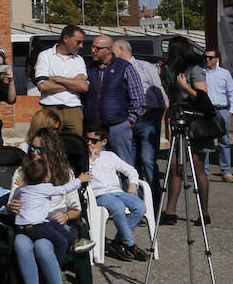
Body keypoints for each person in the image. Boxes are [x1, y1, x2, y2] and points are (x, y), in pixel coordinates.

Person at [8, 150, 84, 284]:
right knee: (20, 244)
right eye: (32, 150)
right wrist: (12, 206)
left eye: (40, 150)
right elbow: (12, 200)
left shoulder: (66, 172)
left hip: (52, 224)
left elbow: (76, 208)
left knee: (43, 247)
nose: (35, 154)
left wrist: (66, 215)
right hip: (28, 225)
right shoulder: (24, 172)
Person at [160, 40, 210, 225]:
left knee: (198, 169)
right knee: (175, 167)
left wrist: (184, 85)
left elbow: (202, 96)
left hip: (196, 123)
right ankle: (170, 211)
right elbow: (171, 96)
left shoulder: (195, 69)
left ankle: (204, 212)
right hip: (179, 119)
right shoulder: (173, 70)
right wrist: (165, 79)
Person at [83, 122, 148, 261]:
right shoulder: (84, 158)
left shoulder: (110, 156)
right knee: (118, 207)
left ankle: (118, 241)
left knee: (140, 206)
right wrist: (92, 161)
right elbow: (84, 177)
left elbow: (130, 170)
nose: (90, 143)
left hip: (116, 192)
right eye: (87, 139)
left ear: (104, 142)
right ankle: (130, 244)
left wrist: (133, 184)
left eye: (94, 141)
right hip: (99, 194)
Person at [114, 39, 167, 198]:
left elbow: (159, 91)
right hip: (128, 120)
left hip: (148, 119)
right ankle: (136, 202)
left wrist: (157, 116)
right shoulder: (116, 70)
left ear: (122, 49)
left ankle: (155, 203)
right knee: (130, 164)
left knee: (148, 161)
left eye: (113, 51)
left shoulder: (144, 66)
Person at [85, 35, 145, 162]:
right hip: (95, 128)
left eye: (96, 48)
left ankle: (128, 183)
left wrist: (129, 122)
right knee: (97, 165)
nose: (92, 51)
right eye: (92, 47)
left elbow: (138, 97)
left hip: (118, 126)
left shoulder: (124, 67)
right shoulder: (88, 68)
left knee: (124, 164)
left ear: (108, 50)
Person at [34, 26, 88, 136]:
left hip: (74, 111)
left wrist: (58, 79)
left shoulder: (79, 60)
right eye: (78, 42)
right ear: (66, 38)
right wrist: (73, 82)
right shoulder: (45, 56)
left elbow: (84, 87)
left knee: (75, 146)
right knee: (49, 144)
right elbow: (43, 86)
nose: (81, 46)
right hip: (50, 109)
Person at [199, 47, 233, 182]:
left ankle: (226, 171)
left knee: (224, 142)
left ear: (217, 59)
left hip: (222, 110)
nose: (207, 60)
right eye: (206, 57)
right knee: (206, 142)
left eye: (210, 57)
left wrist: (231, 111)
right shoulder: (201, 72)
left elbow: (232, 91)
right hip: (206, 111)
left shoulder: (225, 73)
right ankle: (204, 172)